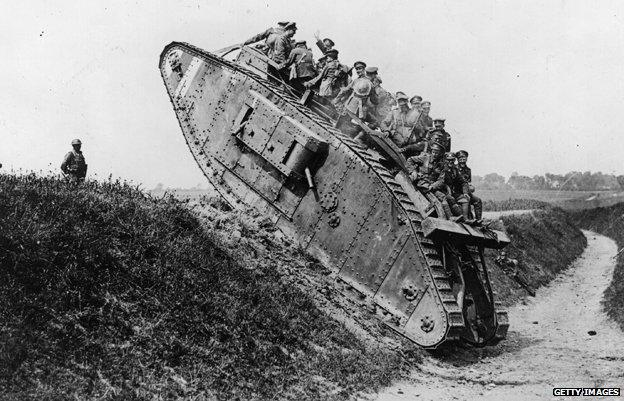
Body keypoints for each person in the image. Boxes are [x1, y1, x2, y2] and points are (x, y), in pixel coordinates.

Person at [405, 142, 454, 218]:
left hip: (430, 186)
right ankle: (448, 217)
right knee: (438, 200)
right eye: (433, 152)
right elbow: (410, 160)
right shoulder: (424, 158)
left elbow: (441, 180)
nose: (434, 154)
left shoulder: (441, 165)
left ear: (440, 154)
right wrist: (413, 171)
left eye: (437, 153)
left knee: (443, 196)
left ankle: (451, 217)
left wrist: (433, 186)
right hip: (421, 183)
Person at [456, 150, 483, 223]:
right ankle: (467, 220)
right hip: (457, 192)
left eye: (464, 158)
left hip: (466, 191)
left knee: (478, 201)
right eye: (460, 158)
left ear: (466, 159)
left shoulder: (468, 170)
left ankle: (478, 221)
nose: (462, 160)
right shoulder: (454, 169)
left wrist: (470, 187)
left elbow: (468, 182)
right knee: (466, 199)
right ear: (457, 159)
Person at [442, 152, 470, 220]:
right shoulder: (442, 169)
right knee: (450, 200)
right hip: (443, 192)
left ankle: (466, 220)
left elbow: (463, 181)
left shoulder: (455, 169)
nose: (450, 161)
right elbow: (440, 182)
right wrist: (447, 190)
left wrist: (465, 192)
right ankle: (454, 217)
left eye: (452, 160)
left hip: (452, 192)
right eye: (448, 160)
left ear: (454, 160)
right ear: (445, 160)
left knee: (465, 199)